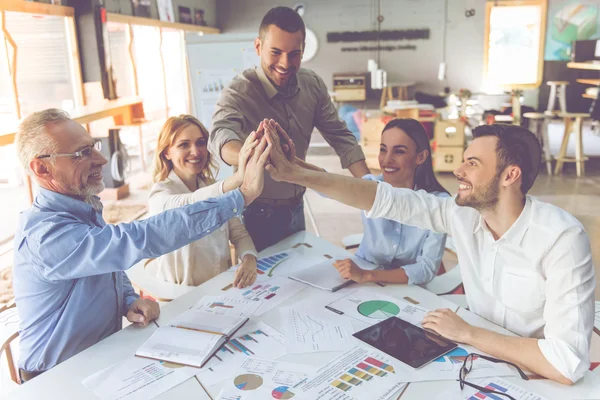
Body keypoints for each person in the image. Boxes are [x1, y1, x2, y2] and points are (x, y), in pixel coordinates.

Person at [264, 121, 594, 385]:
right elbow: (381, 198)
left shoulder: (561, 238)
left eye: (473, 163)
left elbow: (566, 363)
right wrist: (296, 172)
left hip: (531, 373)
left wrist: (467, 332)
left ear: (510, 175)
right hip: (472, 359)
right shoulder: (463, 215)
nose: (460, 171)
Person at [12, 109, 269, 380]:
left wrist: (128, 300)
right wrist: (241, 195)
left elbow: (107, 264)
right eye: (82, 154)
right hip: (55, 378)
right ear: (42, 168)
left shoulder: (83, 206)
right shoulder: (46, 236)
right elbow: (135, 239)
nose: (101, 160)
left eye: (93, 148)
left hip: (98, 357)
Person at [209, 6, 370, 251]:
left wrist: (371, 189)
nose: (285, 63)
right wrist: (251, 155)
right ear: (258, 47)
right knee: (263, 283)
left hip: (297, 205)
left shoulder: (312, 84)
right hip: (256, 213)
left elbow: (341, 136)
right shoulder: (238, 91)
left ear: (303, 51)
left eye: (294, 54)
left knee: (297, 274)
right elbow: (220, 135)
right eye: (276, 52)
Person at [332, 119, 449, 285]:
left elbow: (426, 269)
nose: (386, 160)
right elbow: (327, 185)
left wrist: (368, 275)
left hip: (401, 287)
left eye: (399, 151)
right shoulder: (370, 187)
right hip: (359, 277)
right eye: (383, 150)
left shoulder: (439, 204)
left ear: (421, 156)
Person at [149, 115, 257, 288]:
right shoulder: (159, 194)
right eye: (184, 145)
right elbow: (191, 204)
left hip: (222, 288)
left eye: (200, 143)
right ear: (167, 152)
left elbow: (238, 233)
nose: (195, 151)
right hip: (180, 297)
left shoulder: (211, 185)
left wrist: (249, 258)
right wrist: (238, 178)